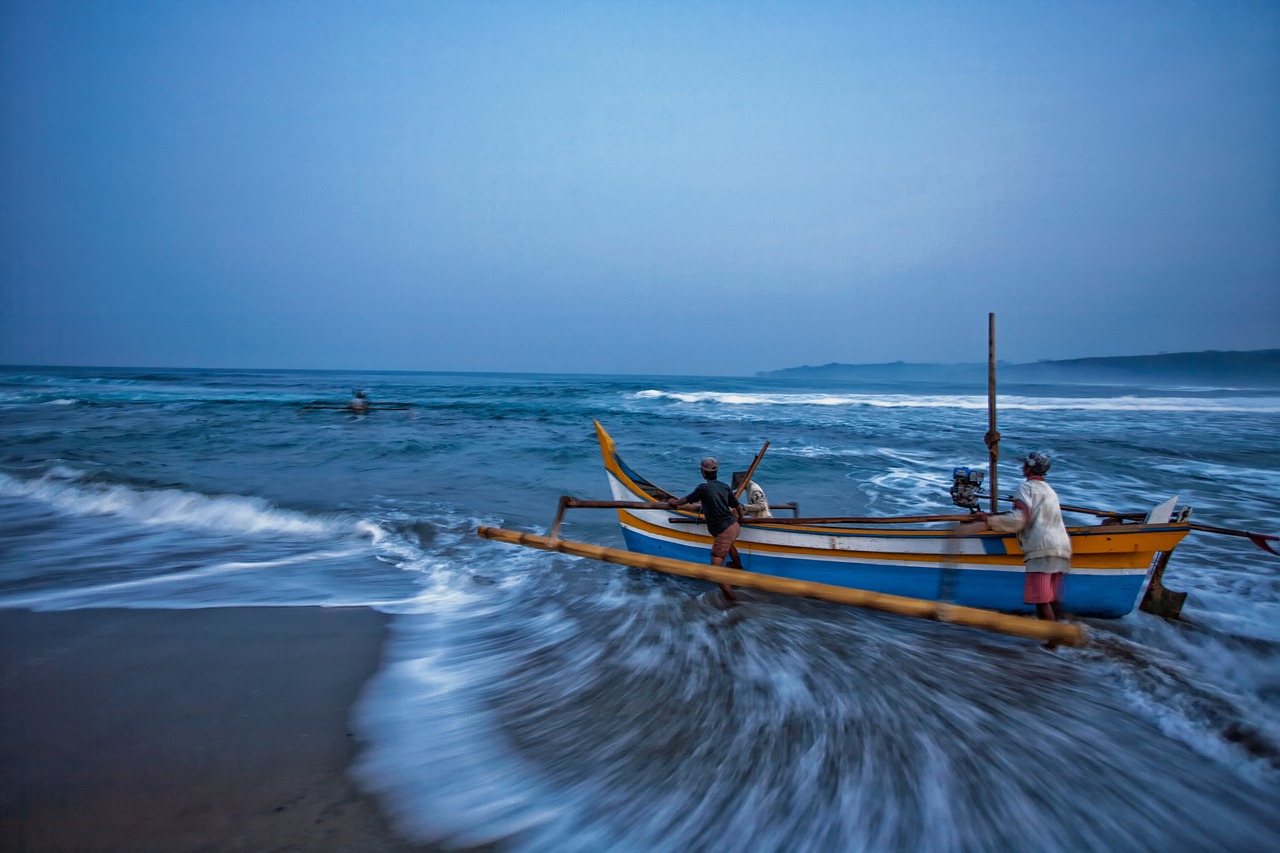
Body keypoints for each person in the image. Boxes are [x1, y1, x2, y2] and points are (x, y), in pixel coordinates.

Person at [968, 451, 1072, 633]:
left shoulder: (1025, 488)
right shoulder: (1049, 490)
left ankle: (1052, 642)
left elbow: (1020, 519)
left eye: (1025, 464)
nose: (1022, 467)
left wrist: (989, 520)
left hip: (1041, 548)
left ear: (1029, 468)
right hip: (1062, 546)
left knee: (1042, 600)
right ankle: (1064, 633)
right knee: (1054, 597)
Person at [668, 456, 744, 600]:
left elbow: (685, 500)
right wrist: (741, 518)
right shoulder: (724, 486)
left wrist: (674, 502)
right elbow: (738, 505)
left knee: (715, 571)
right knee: (729, 545)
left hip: (723, 530)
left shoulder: (703, 488)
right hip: (734, 526)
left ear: (703, 473)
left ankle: (733, 600)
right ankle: (737, 567)